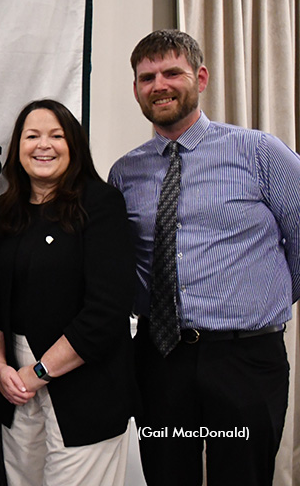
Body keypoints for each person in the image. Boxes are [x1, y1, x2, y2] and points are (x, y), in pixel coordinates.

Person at [109, 29, 300, 486]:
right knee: (166, 477)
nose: (160, 85)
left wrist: (266, 301)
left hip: (245, 360)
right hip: (160, 361)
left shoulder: (259, 152)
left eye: (172, 72)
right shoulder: (124, 172)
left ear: (200, 77)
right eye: (147, 77)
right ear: (136, 89)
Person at [0, 99, 135, 485]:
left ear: (75, 145)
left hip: (85, 389)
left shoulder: (101, 205)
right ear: (18, 147)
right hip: (15, 387)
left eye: (56, 135)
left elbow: (106, 310)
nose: (43, 145)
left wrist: (38, 373)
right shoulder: (4, 211)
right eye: (32, 136)